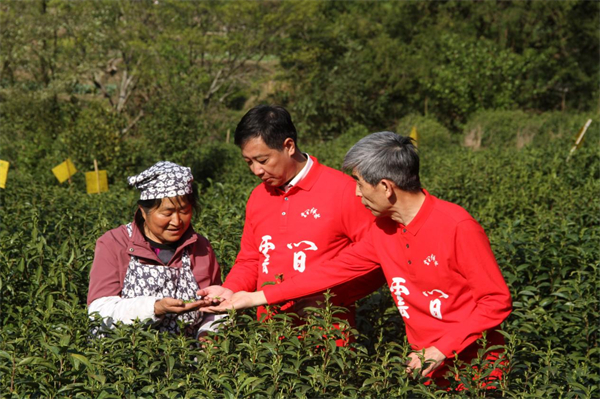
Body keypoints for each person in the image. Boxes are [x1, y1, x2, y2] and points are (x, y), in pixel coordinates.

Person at [202, 132, 513, 385]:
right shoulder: (384, 231)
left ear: (386, 187)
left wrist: (442, 349)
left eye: (360, 184)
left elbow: (495, 301)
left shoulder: (457, 226)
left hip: (479, 373)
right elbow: (329, 273)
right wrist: (254, 297)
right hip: (426, 368)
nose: (355, 194)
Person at [199, 105, 386, 342]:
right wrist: (231, 289)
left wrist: (332, 299)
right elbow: (251, 259)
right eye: (248, 162)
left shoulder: (344, 191)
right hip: (269, 343)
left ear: (289, 146)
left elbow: (379, 260)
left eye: (263, 160)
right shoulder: (259, 197)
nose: (256, 170)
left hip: (327, 340)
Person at [87, 161, 224, 338]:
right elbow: (99, 312)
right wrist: (154, 308)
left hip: (187, 359)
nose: (177, 221)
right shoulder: (114, 243)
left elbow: (216, 306)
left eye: (184, 211)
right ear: (144, 212)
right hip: (125, 360)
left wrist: (208, 334)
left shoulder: (200, 247)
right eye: (167, 213)